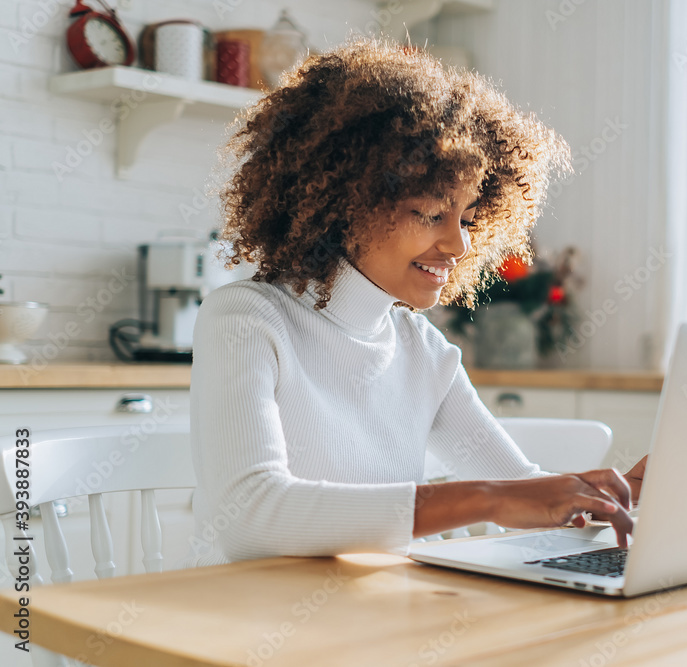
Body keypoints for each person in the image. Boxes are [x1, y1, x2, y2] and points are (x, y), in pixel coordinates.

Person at [185, 37, 647, 567]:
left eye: (469, 219)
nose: (460, 245)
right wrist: (487, 499)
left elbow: (520, 488)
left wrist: (612, 495)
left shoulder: (421, 348)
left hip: (374, 622)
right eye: (432, 214)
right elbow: (249, 517)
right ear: (345, 205)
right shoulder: (246, 319)